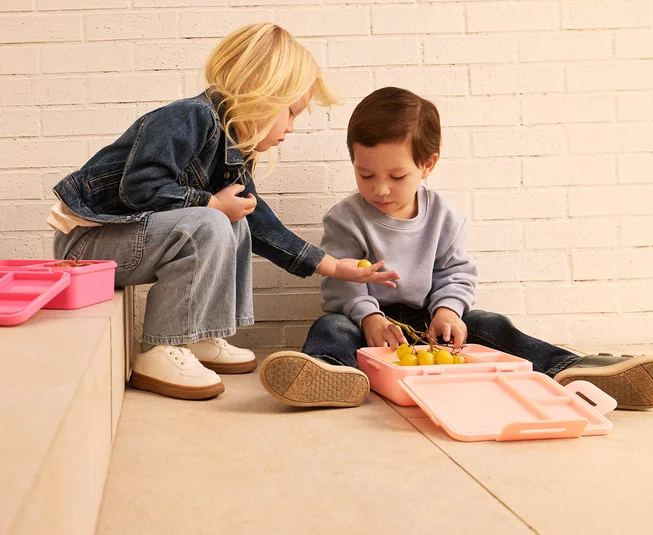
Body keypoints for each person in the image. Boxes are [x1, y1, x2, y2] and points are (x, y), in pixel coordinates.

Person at [259, 87, 653, 411]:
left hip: (428, 320)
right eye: (365, 175)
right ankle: (333, 376)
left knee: (489, 323)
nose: (381, 189)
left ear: (428, 165)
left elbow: (456, 274)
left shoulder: (445, 216)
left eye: (396, 175)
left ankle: (568, 368)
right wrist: (369, 318)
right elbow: (345, 285)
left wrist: (448, 310)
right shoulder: (345, 218)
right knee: (331, 329)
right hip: (369, 321)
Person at [48, 24, 399, 401]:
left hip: (127, 244)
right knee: (213, 219)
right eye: (291, 113)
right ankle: (161, 349)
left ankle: (199, 334)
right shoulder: (188, 118)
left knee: (235, 222)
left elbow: (261, 225)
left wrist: (332, 266)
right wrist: (211, 204)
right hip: (87, 249)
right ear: (263, 95)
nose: (292, 128)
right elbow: (139, 187)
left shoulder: (232, 147)